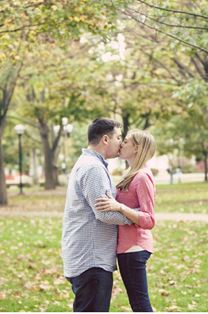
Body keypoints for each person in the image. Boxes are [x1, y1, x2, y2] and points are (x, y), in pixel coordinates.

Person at [61, 117, 134, 312]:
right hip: (91, 261)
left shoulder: (88, 163)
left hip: (87, 258)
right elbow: (105, 214)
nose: (121, 142)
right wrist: (137, 217)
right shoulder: (93, 168)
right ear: (105, 139)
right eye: (119, 137)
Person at [95, 129, 157, 312]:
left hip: (134, 248)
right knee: (138, 303)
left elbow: (149, 220)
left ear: (137, 148)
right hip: (127, 249)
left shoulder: (142, 177)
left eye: (126, 141)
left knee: (140, 304)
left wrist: (120, 207)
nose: (121, 144)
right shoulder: (132, 173)